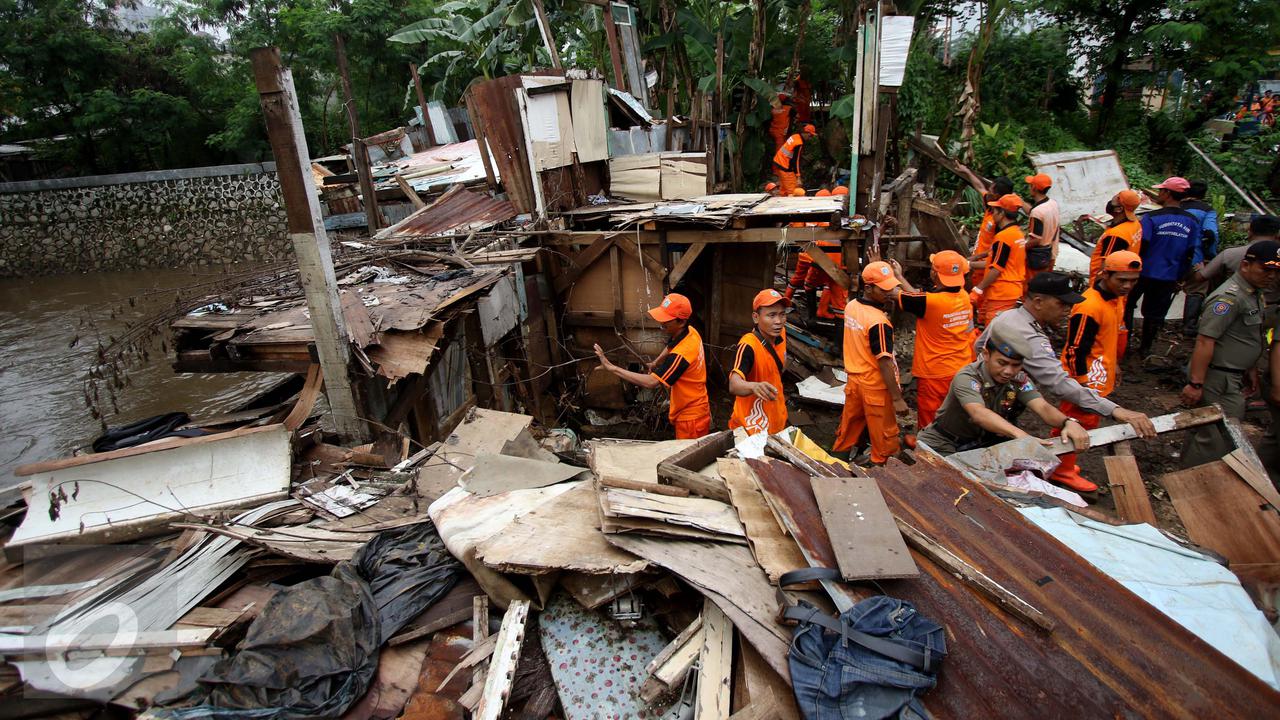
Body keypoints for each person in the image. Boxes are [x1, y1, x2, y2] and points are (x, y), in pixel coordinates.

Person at [977, 272, 1158, 444]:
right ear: (1039, 302)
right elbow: (1059, 383)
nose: (1068, 310)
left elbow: (979, 345)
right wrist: (1116, 410)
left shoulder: (1009, 316)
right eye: (1061, 304)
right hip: (989, 409)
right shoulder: (1028, 336)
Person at [916, 323, 1092, 456]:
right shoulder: (968, 377)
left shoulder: (1019, 380)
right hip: (943, 443)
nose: (1008, 371)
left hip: (980, 445)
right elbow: (979, 413)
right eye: (1002, 363)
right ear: (986, 355)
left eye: (1016, 365)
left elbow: (1042, 407)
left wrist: (1067, 422)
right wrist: (1020, 435)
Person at [1180, 240, 1280, 468]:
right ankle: (1200, 482)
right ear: (1245, 265)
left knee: (1208, 430)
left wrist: (1250, 367)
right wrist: (1195, 383)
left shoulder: (1253, 293)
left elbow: (1246, 336)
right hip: (1219, 378)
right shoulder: (1229, 298)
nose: (1271, 276)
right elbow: (1205, 341)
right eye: (1266, 270)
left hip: (1233, 374)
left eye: (1276, 271)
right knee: (1217, 435)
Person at [1051, 251, 1143, 492]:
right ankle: (1061, 470)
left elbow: (1107, 338)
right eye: (1122, 280)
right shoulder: (1089, 306)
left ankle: (1063, 463)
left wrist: (1115, 365)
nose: (1127, 286)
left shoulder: (1115, 299)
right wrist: (1081, 385)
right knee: (1076, 422)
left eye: (1133, 280)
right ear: (1105, 274)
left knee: (1085, 422)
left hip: (1099, 374)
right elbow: (1075, 349)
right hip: (1085, 378)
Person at [593, 293, 710, 439]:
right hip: (693, 406)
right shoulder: (691, 332)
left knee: (690, 458)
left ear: (681, 322)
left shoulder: (682, 355)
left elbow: (652, 382)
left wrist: (612, 368)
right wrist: (655, 363)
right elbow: (671, 346)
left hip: (691, 419)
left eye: (666, 320)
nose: (661, 323)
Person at [833, 261, 910, 464]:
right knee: (884, 436)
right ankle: (881, 472)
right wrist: (896, 398)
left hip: (854, 382)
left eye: (891, 287)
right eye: (884, 289)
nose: (891, 292)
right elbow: (884, 363)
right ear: (868, 288)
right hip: (875, 387)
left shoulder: (851, 306)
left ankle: (835, 465)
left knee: (848, 428)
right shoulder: (879, 322)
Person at [1125, 176, 1202, 357]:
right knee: (1155, 314)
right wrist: (1181, 275)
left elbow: (1141, 244)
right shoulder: (1191, 221)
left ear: (1167, 194)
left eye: (1161, 190)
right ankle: (1145, 349)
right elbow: (1191, 251)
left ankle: (1125, 342)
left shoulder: (1151, 218)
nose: (1158, 193)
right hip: (1169, 275)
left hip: (1143, 272)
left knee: (1127, 304)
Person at [897, 251, 975, 428]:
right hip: (961, 365)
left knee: (930, 415)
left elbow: (896, 294)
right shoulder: (963, 296)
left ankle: (926, 447)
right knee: (955, 411)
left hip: (934, 371)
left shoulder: (931, 302)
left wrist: (896, 275)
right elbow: (918, 299)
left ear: (934, 274)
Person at [1184, 215, 1280, 334]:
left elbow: (1200, 277)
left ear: (1250, 232)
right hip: (1271, 314)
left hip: (1231, 313)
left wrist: (1199, 268)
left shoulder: (1230, 254)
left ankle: (1190, 325)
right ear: (1276, 235)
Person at [729, 289, 790, 435]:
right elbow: (734, 384)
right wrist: (753, 387)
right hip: (751, 428)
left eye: (782, 314)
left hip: (776, 420)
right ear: (756, 317)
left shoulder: (781, 333)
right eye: (771, 315)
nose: (778, 321)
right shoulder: (749, 345)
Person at [970, 193, 1028, 327]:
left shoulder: (1003, 237)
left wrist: (978, 289)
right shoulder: (1017, 233)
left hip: (1001, 292)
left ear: (1002, 213)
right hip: (1011, 289)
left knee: (993, 331)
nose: (992, 214)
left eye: (995, 210)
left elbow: (996, 268)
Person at [1089, 189, 1143, 283]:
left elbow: (1106, 266)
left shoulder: (1116, 235)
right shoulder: (1135, 224)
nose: (1110, 202)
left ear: (1119, 209)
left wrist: (1096, 287)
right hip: (1121, 281)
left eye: (1113, 201)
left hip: (1105, 286)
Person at [969, 177, 1014, 286]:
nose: (987, 192)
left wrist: (970, 263)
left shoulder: (1002, 229)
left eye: (990, 190)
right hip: (979, 263)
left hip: (984, 268)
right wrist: (966, 171)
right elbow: (979, 187)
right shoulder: (991, 206)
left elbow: (996, 262)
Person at [1025, 173, 1060, 278]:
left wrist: (1019, 248)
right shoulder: (1052, 203)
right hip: (1051, 253)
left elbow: (1036, 240)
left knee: (1032, 287)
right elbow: (1033, 211)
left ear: (1034, 188)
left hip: (1038, 258)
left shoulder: (1037, 213)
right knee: (1044, 285)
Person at [772, 124, 818, 196]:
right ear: (805, 133)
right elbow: (796, 161)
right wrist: (798, 177)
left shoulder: (795, 136)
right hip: (785, 166)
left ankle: (782, 202)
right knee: (793, 191)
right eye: (810, 135)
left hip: (779, 162)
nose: (810, 138)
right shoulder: (798, 143)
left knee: (784, 190)